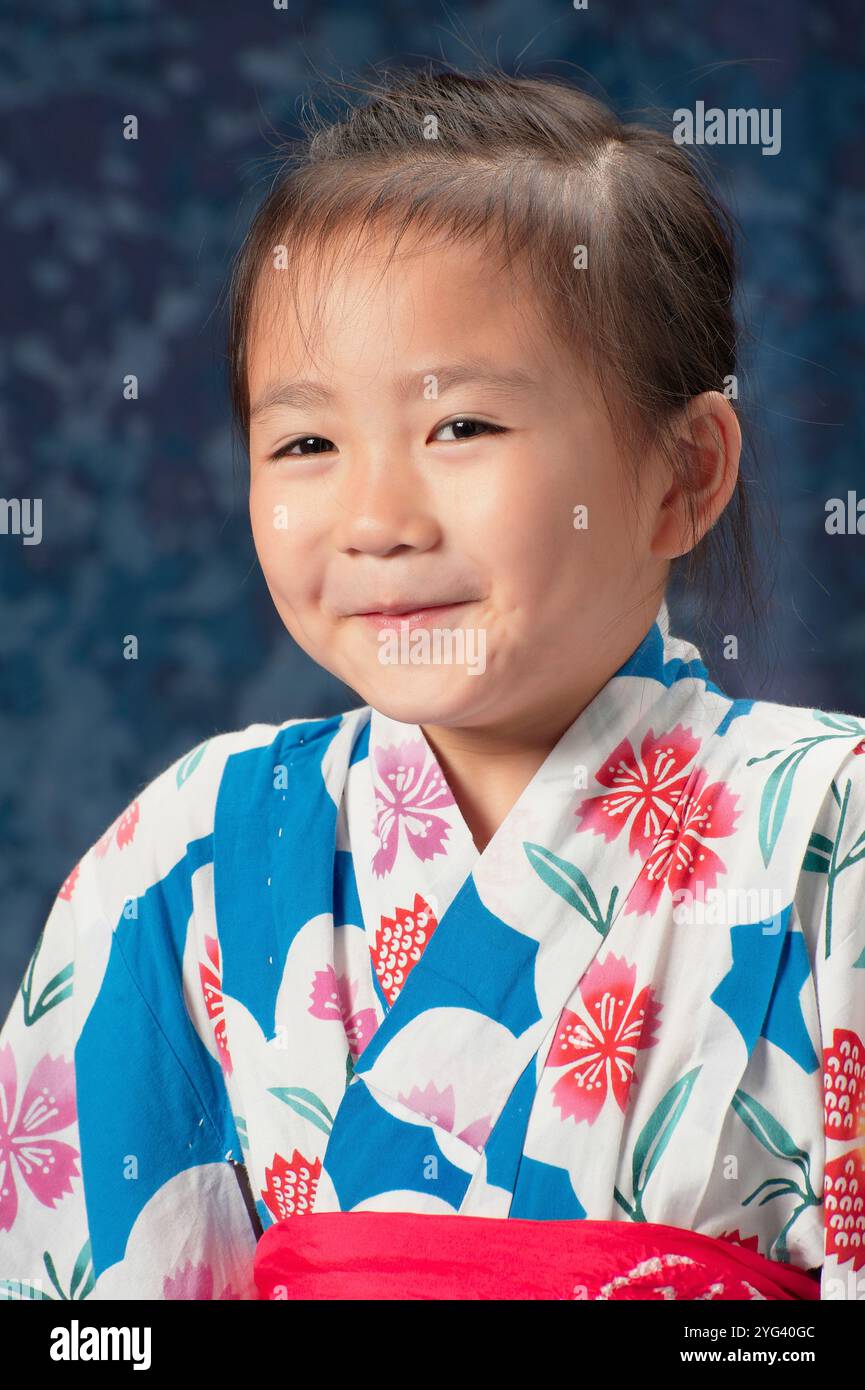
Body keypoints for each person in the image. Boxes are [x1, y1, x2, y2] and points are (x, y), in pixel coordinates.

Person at [1, 66, 863, 1302]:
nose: (376, 518)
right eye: (305, 442)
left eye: (460, 427)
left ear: (683, 472)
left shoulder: (834, 837)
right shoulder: (186, 854)